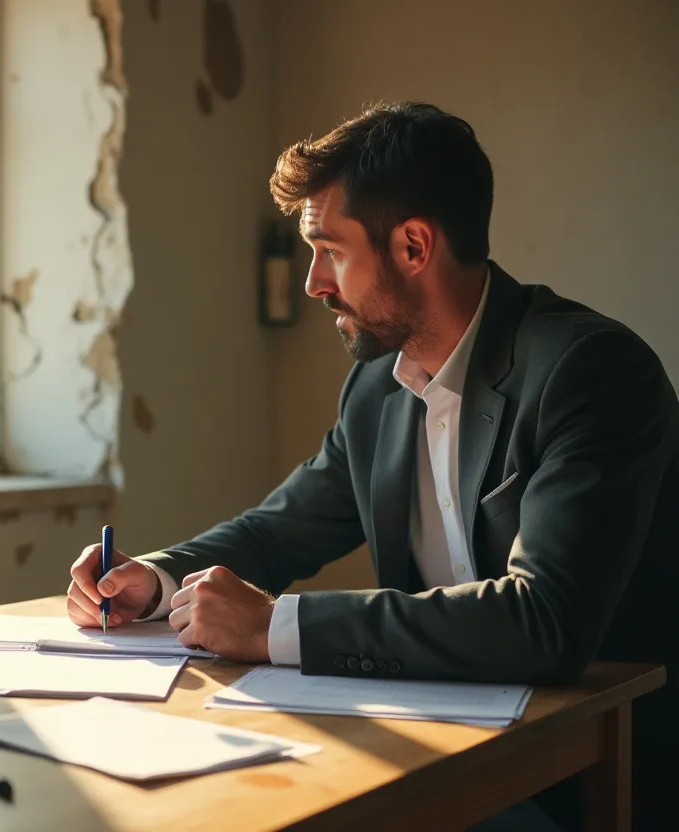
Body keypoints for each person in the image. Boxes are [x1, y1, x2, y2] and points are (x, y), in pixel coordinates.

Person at [66, 103, 676, 829]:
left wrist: (275, 626)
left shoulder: (587, 372)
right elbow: (280, 530)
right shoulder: (375, 387)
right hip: (438, 745)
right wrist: (160, 577)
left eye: (330, 250)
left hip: (593, 770)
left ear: (415, 246)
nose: (313, 283)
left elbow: (546, 618)